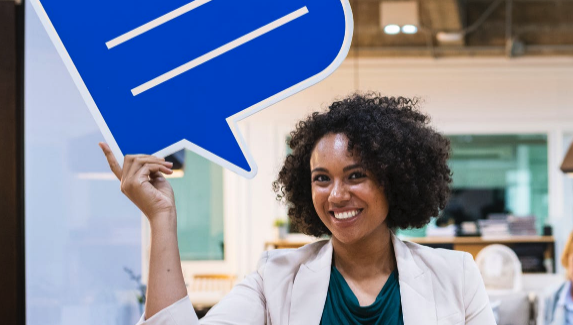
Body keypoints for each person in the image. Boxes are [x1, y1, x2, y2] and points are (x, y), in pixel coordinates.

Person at [102, 93, 495, 324]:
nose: (336, 194)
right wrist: (161, 218)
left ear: (393, 180)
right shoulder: (275, 279)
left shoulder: (455, 276)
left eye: (355, 175)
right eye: (321, 178)